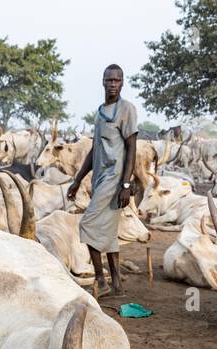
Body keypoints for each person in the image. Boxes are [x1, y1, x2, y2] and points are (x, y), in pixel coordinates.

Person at [67, 64, 138, 297]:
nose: (113, 84)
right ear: (103, 82)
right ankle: (116, 284)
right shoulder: (100, 112)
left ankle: (101, 279)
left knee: (87, 224)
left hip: (115, 179)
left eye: (117, 80)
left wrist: (126, 184)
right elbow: (93, 150)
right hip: (99, 178)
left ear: (123, 83)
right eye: (109, 80)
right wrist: (78, 180)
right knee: (107, 232)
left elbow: (131, 148)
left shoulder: (126, 110)